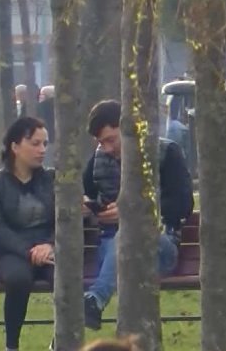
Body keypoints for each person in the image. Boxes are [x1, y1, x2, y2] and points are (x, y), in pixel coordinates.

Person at [81, 100, 193, 330]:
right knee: (122, 240)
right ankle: (92, 304)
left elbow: (183, 205)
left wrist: (130, 211)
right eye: (101, 142)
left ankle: (95, 300)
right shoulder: (98, 159)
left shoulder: (166, 153)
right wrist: (84, 205)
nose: (107, 148)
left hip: (159, 246)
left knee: (129, 234)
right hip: (111, 249)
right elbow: (82, 195)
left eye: (111, 140)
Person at [0, 117, 54, 351]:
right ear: (15, 146)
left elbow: (66, 219)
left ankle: (62, 342)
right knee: (18, 279)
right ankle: (12, 346)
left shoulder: (52, 179)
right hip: (12, 251)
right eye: (34, 143)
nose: (42, 150)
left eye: (45, 144)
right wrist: (28, 251)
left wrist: (50, 245)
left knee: (66, 277)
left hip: (49, 249)